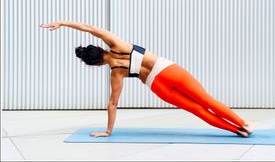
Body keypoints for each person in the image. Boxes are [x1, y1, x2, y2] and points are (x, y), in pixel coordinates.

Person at [40, 21, 256, 138]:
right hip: (169, 71)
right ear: (98, 47)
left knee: (196, 109)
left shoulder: (116, 73)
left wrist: (108, 131)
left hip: (157, 86)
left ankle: (238, 131)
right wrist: (62, 23)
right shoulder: (117, 44)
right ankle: (244, 123)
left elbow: (112, 104)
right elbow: (91, 29)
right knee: (205, 100)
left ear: (96, 64)